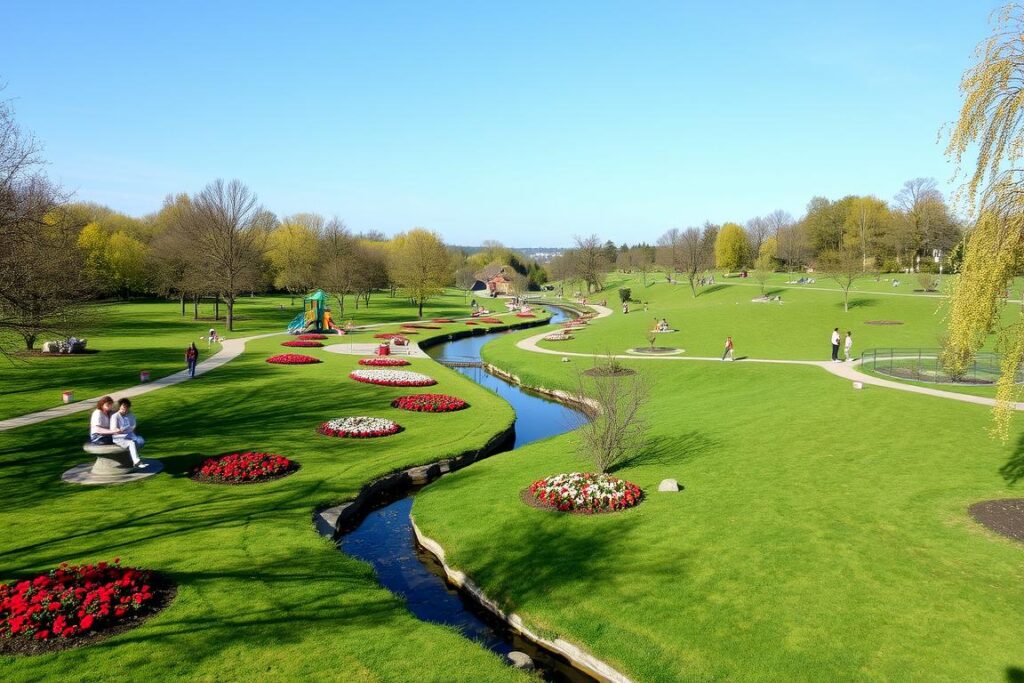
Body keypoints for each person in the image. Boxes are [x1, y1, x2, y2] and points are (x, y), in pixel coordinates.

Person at [111, 398, 147, 469]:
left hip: (129, 435)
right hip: (119, 437)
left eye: (127, 408)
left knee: (140, 441)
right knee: (131, 443)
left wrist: (132, 429)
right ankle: (137, 462)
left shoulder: (131, 415)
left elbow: (133, 426)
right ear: (120, 407)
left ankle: (132, 457)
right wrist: (119, 430)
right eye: (123, 407)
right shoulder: (115, 416)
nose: (125, 410)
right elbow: (113, 429)